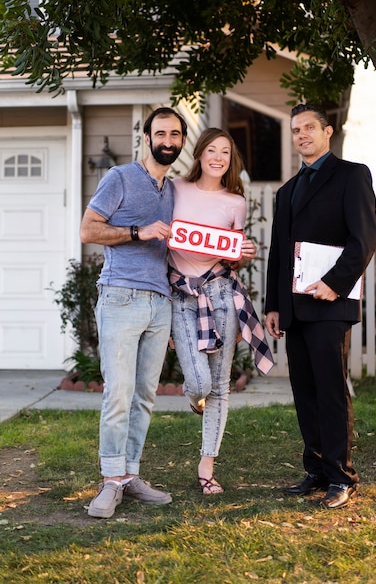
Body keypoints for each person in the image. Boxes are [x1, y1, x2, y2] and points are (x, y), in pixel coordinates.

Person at [265, 103, 376, 509]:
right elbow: (279, 252)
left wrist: (334, 284)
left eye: (309, 128)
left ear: (327, 132)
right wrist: (273, 305)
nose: (301, 135)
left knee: (331, 390)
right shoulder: (286, 191)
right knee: (305, 390)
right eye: (295, 130)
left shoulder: (351, 175)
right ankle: (314, 468)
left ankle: (340, 476)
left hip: (330, 303)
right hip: (293, 307)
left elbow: (364, 240)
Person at [80, 106, 188, 518]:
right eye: (160, 133)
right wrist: (136, 232)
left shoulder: (175, 191)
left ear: (180, 141)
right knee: (119, 394)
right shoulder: (119, 178)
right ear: (147, 138)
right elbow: (88, 230)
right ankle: (110, 481)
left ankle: (131, 475)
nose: (167, 141)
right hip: (120, 297)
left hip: (160, 303)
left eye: (175, 135)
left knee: (145, 396)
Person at [168, 127, 274, 495]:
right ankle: (195, 398)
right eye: (211, 150)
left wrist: (244, 255)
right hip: (181, 295)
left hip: (222, 292)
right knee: (198, 384)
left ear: (231, 160)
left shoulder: (235, 202)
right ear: (199, 154)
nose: (218, 157)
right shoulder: (175, 188)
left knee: (220, 385)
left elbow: (233, 257)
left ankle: (206, 466)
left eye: (225, 152)